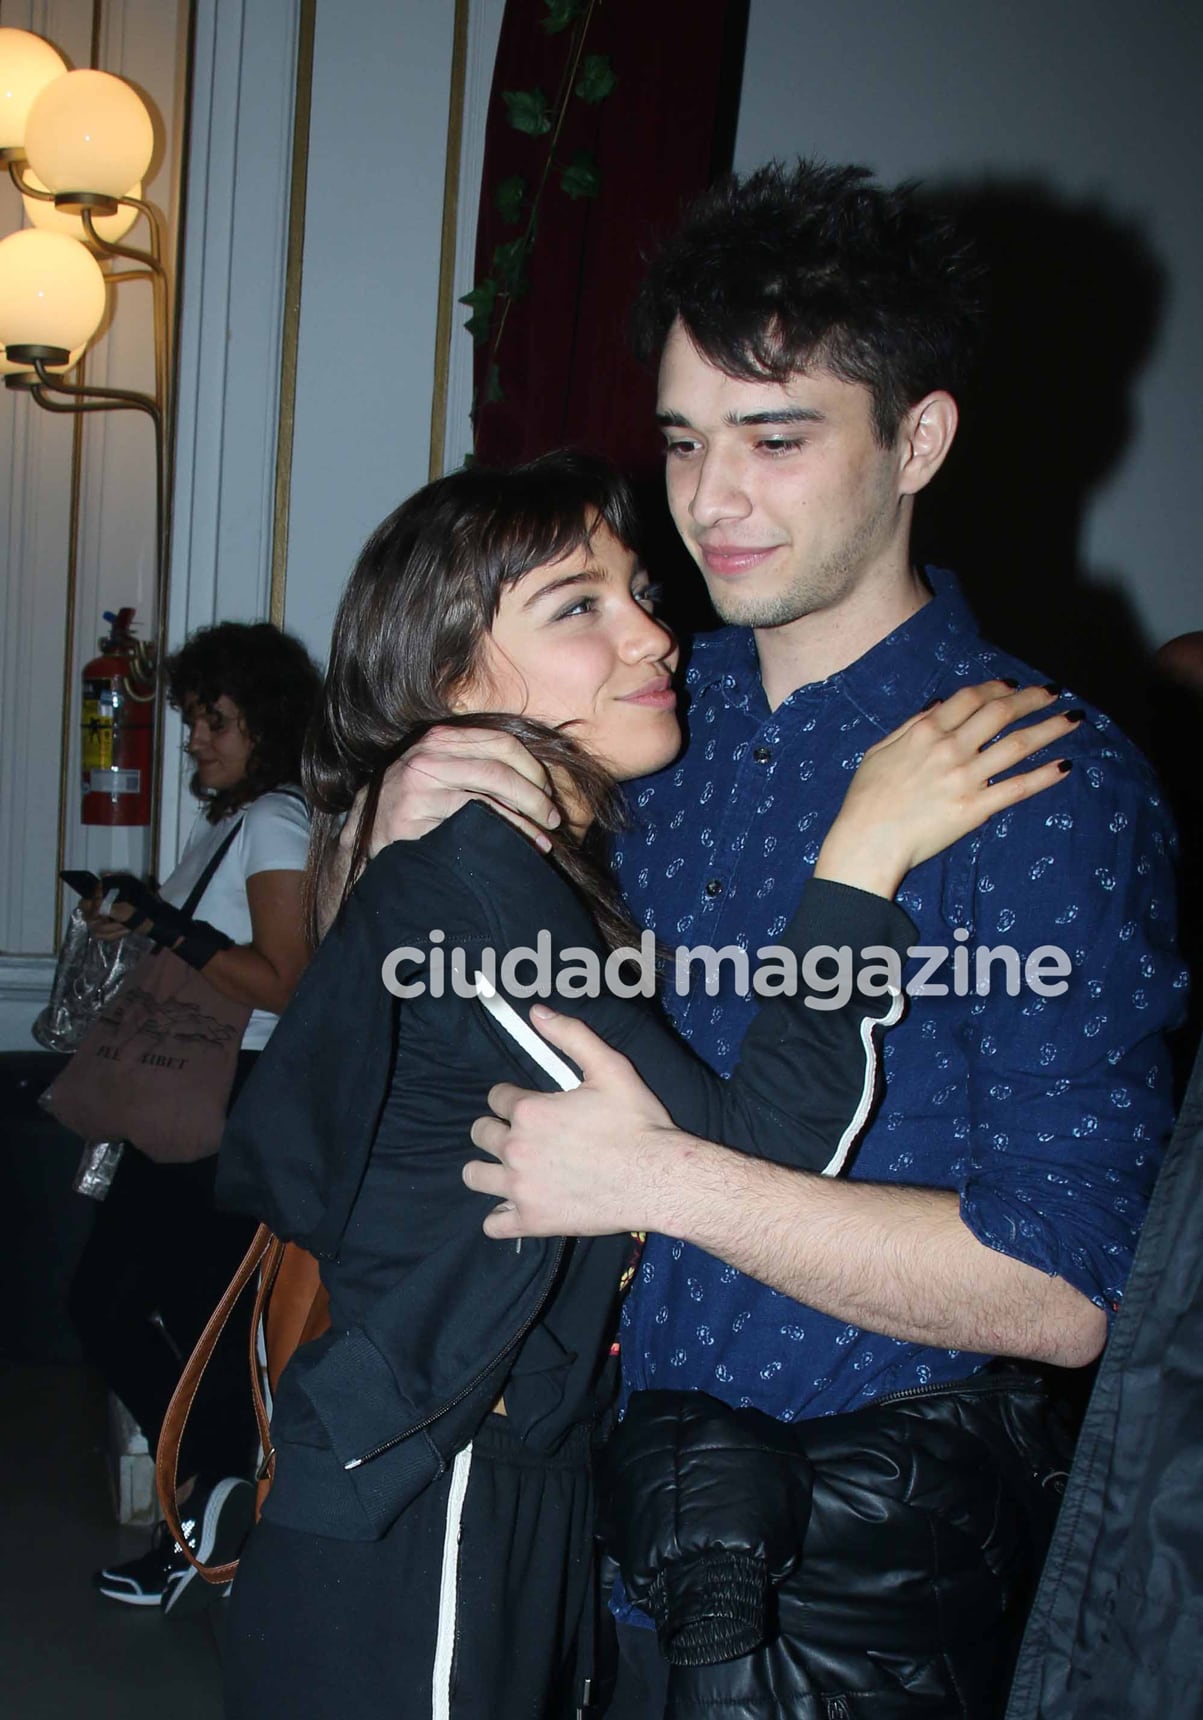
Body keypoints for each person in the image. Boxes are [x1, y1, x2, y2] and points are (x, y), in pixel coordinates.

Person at [351, 164, 1185, 1717]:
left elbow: (1069, 1285)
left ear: (914, 440)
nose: (709, 500)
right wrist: (404, 813)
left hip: (848, 1581)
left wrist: (655, 1180)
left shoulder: (1034, 779)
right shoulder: (655, 720)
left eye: (776, 438)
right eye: (683, 439)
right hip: (598, 1522)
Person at [212, 453, 1073, 1720]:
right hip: (429, 1497)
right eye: (580, 607)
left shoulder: (531, 872)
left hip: (497, 1477)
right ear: (452, 681)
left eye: (637, 590)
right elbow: (759, 1141)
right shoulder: (466, 879)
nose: (653, 631)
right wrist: (862, 855)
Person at [69, 620, 320, 1618]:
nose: (194, 740)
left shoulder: (274, 822)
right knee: (149, 1306)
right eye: (192, 720)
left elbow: (283, 981)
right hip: (196, 1094)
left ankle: (215, 1506)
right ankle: (215, 1512)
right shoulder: (238, 824)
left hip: (225, 1096)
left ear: (267, 721)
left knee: (122, 1305)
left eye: (212, 720)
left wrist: (157, 922)